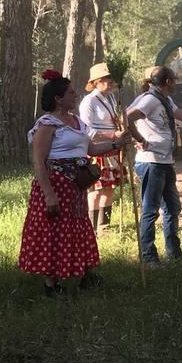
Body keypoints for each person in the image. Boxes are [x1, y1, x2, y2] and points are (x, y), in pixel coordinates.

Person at [19, 69, 130, 296]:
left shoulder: (77, 121)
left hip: (76, 186)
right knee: (54, 232)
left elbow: (91, 149)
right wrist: (48, 194)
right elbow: (39, 161)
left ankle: (85, 274)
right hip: (56, 185)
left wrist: (117, 144)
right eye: (70, 93)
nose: (75, 95)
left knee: (78, 228)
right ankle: (51, 284)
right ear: (58, 99)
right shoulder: (47, 124)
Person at [126, 65, 182, 265]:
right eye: (174, 79)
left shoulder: (166, 99)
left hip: (165, 161)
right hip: (151, 162)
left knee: (172, 207)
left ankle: (174, 252)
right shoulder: (149, 100)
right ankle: (149, 256)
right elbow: (127, 116)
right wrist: (139, 138)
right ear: (168, 82)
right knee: (151, 210)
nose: (176, 83)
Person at [79, 61, 123, 234]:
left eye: (110, 78)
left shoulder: (111, 98)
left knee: (109, 189)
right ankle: (92, 228)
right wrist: (112, 135)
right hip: (96, 151)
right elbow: (87, 130)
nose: (110, 82)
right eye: (105, 79)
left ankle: (104, 227)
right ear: (96, 82)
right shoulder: (89, 101)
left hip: (113, 150)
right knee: (96, 191)